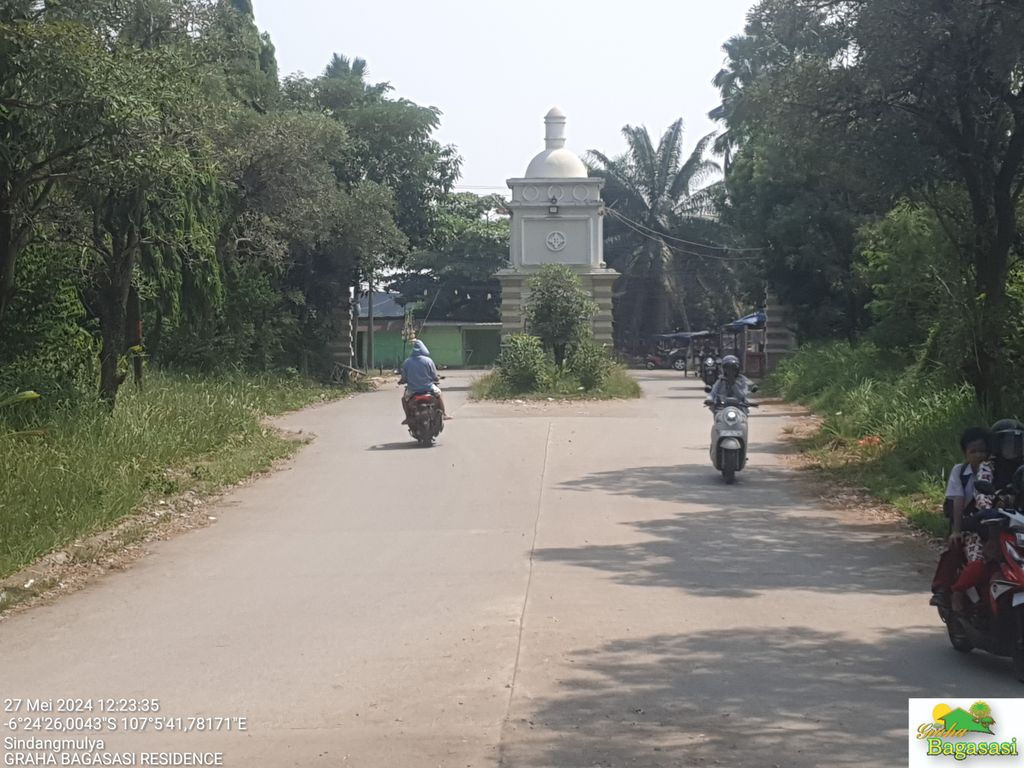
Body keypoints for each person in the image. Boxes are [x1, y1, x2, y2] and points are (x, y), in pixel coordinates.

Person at [948, 419, 1024, 612]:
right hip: (986, 524)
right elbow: (982, 494)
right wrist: (993, 508)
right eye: (1006, 442)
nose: (1012, 448)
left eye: (1017, 442)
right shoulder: (987, 467)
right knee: (980, 563)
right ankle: (958, 592)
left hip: (1018, 524)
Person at [929, 426, 990, 608]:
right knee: (955, 548)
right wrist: (957, 530)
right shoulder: (960, 472)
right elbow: (958, 500)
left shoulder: (994, 471)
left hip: (991, 522)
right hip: (967, 521)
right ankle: (944, 590)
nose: (979, 455)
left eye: (983, 451)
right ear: (965, 453)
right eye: (973, 451)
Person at [399, 340, 449, 425]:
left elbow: (404, 378)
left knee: (404, 399)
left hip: (413, 390)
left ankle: (407, 417)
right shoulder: (428, 361)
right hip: (428, 388)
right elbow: (434, 376)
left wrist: (401, 381)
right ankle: (444, 414)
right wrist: (437, 379)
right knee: (439, 394)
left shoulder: (407, 362)